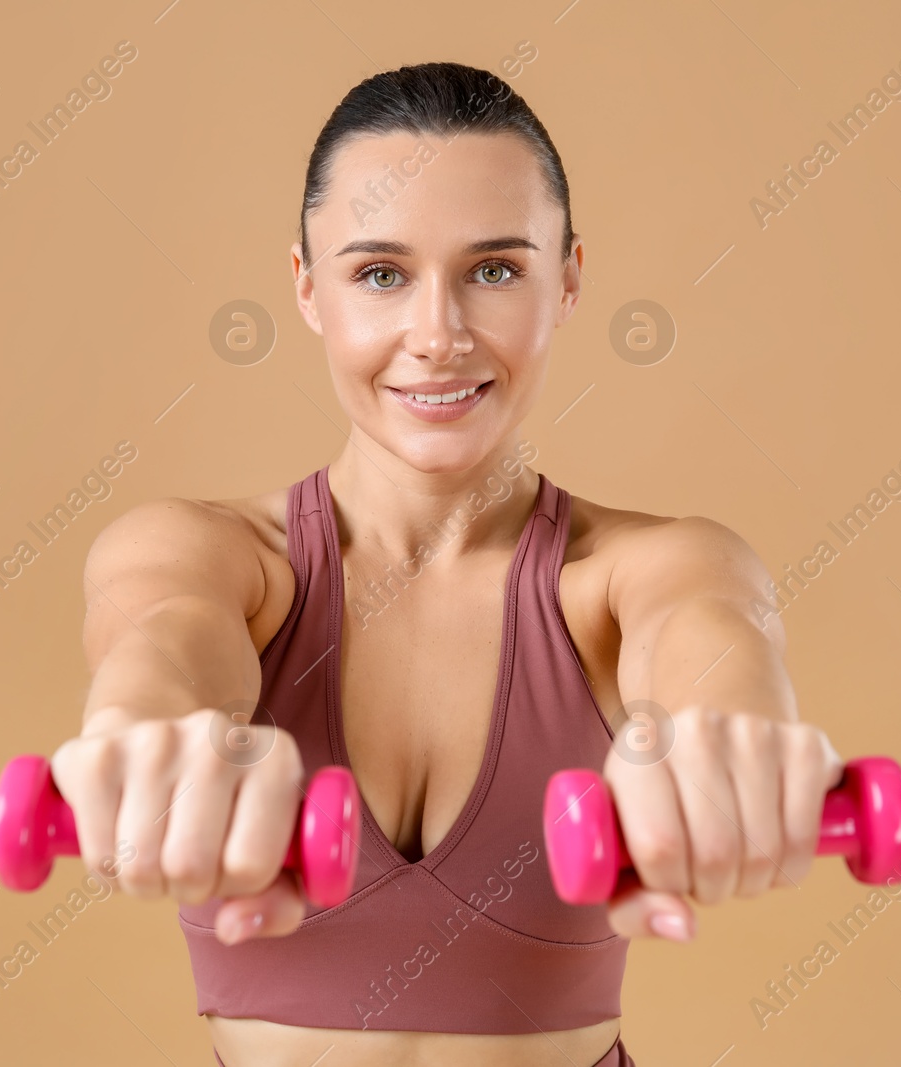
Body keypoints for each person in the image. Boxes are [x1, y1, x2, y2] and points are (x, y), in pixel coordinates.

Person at [50, 61, 844, 1067]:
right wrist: (146, 730)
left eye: (496, 270)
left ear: (567, 280)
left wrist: (729, 738)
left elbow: (709, 635)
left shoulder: (641, 567)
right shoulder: (206, 553)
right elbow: (163, 637)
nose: (438, 335)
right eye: (379, 273)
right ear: (307, 286)